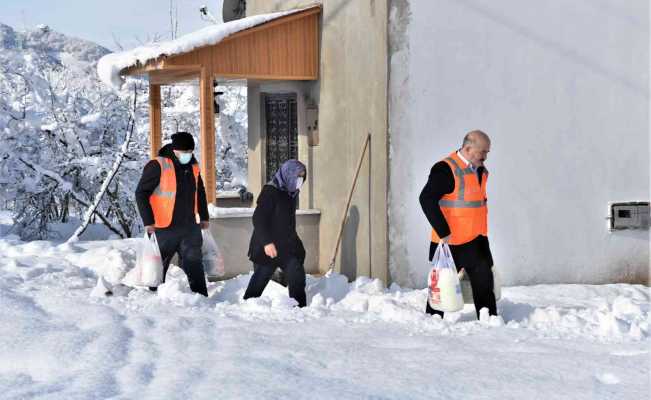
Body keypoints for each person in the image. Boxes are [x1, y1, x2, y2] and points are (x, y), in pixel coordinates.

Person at [419, 130, 497, 319]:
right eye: (483, 152)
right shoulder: (445, 169)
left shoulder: (479, 170)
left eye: (487, 152)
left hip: (475, 240)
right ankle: (431, 325)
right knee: (442, 291)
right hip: (449, 243)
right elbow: (426, 198)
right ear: (469, 148)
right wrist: (443, 231)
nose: (486, 157)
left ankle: (491, 325)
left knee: (485, 284)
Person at [135, 131, 210, 296]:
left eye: (190, 152)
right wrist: (148, 221)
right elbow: (141, 193)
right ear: (175, 150)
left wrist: (204, 216)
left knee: (195, 263)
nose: (188, 155)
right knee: (157, 267)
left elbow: (200, 191)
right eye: (185, 152)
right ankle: (153, 298)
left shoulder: (193, 166)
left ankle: (201, 299)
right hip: (163, 227)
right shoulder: (158, 165)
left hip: (189, 226)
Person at [243, 159, 307, 307]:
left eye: (302, 177)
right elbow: (258, 219)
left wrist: (297, 245)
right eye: (298, 176)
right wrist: (267, 243)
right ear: (288, 175)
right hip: (267, 247)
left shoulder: (291, 193)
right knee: (260, 279)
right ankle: (247, 307)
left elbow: (287, 223)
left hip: (286, 246)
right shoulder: (270, 192)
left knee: (296, 274)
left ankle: (300, 309)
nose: (300, 181)